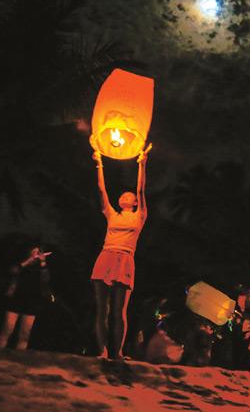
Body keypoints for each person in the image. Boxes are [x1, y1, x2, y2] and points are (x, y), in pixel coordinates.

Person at [90, 143, 151, 359]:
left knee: (120, 310)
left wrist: (142, 164)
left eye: (129, 195)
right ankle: (102, 350)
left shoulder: (139, 216)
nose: (125, 196)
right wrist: (99, 163)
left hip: (125, 259)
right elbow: (101, 189)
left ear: (134, 202)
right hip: (106, 256)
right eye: (122, 195)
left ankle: (119, 352)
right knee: (102, 310)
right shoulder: (111, 213)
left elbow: (141, 189)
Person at [0, 247, 53, 350]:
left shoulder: (41, 267)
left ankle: (19, 356)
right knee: (7, 330)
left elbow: (46, 279)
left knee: (25, 334)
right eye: (34, 251)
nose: (36, 254)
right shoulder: (21, 264)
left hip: (32, 303)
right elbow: (13, 271)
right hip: (15, 300)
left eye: (39, 252)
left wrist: (43, 261)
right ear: (29, 252)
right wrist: (28, 260)